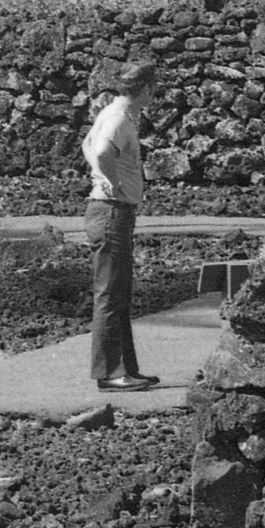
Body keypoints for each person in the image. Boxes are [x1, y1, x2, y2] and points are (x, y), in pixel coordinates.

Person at [81, 59, 161, 392]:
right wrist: (111, 182)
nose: (155, 94)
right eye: (153, 88)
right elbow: (100, 151)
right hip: (111, 211)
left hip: (112, 211)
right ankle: (110, 374)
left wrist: (102, 175)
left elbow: (87, 145)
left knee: (119, 294)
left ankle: (124, 368)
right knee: (110, 296)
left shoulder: (113, 113)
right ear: (144, 89)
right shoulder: (119, 120)